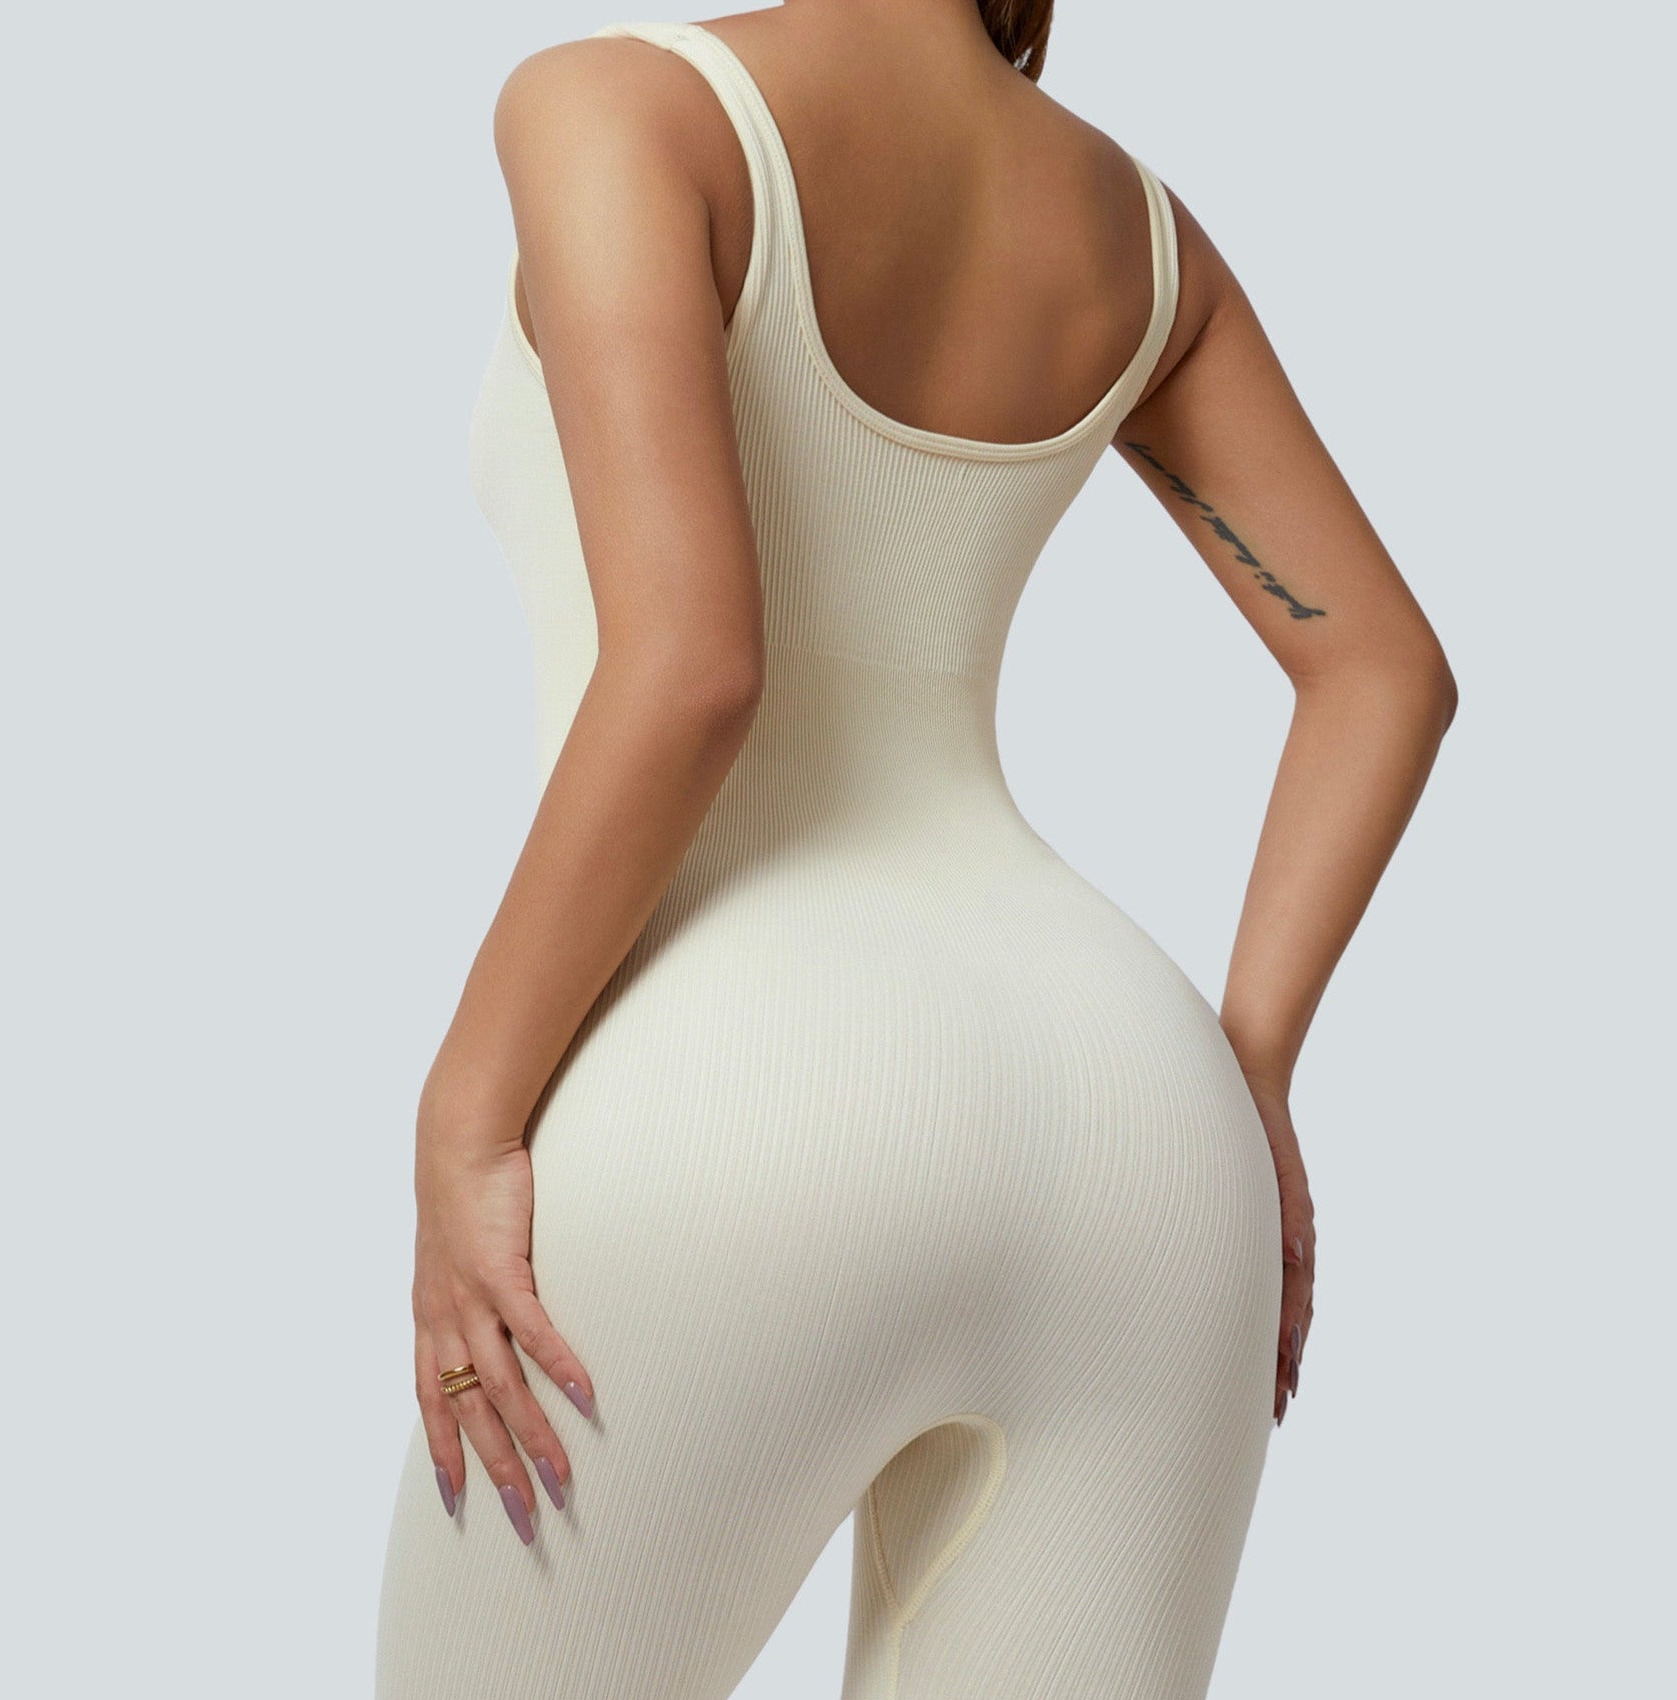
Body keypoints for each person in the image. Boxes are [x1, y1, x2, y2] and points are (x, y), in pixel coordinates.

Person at [374, 4, 1457, 1696]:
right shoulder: (1143, 240)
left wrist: (467, 1113)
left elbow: (690, 669)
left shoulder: (617, 111)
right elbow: (1383, 669)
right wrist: (1247, 1079)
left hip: (741, 1099)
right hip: (1141, 1132)